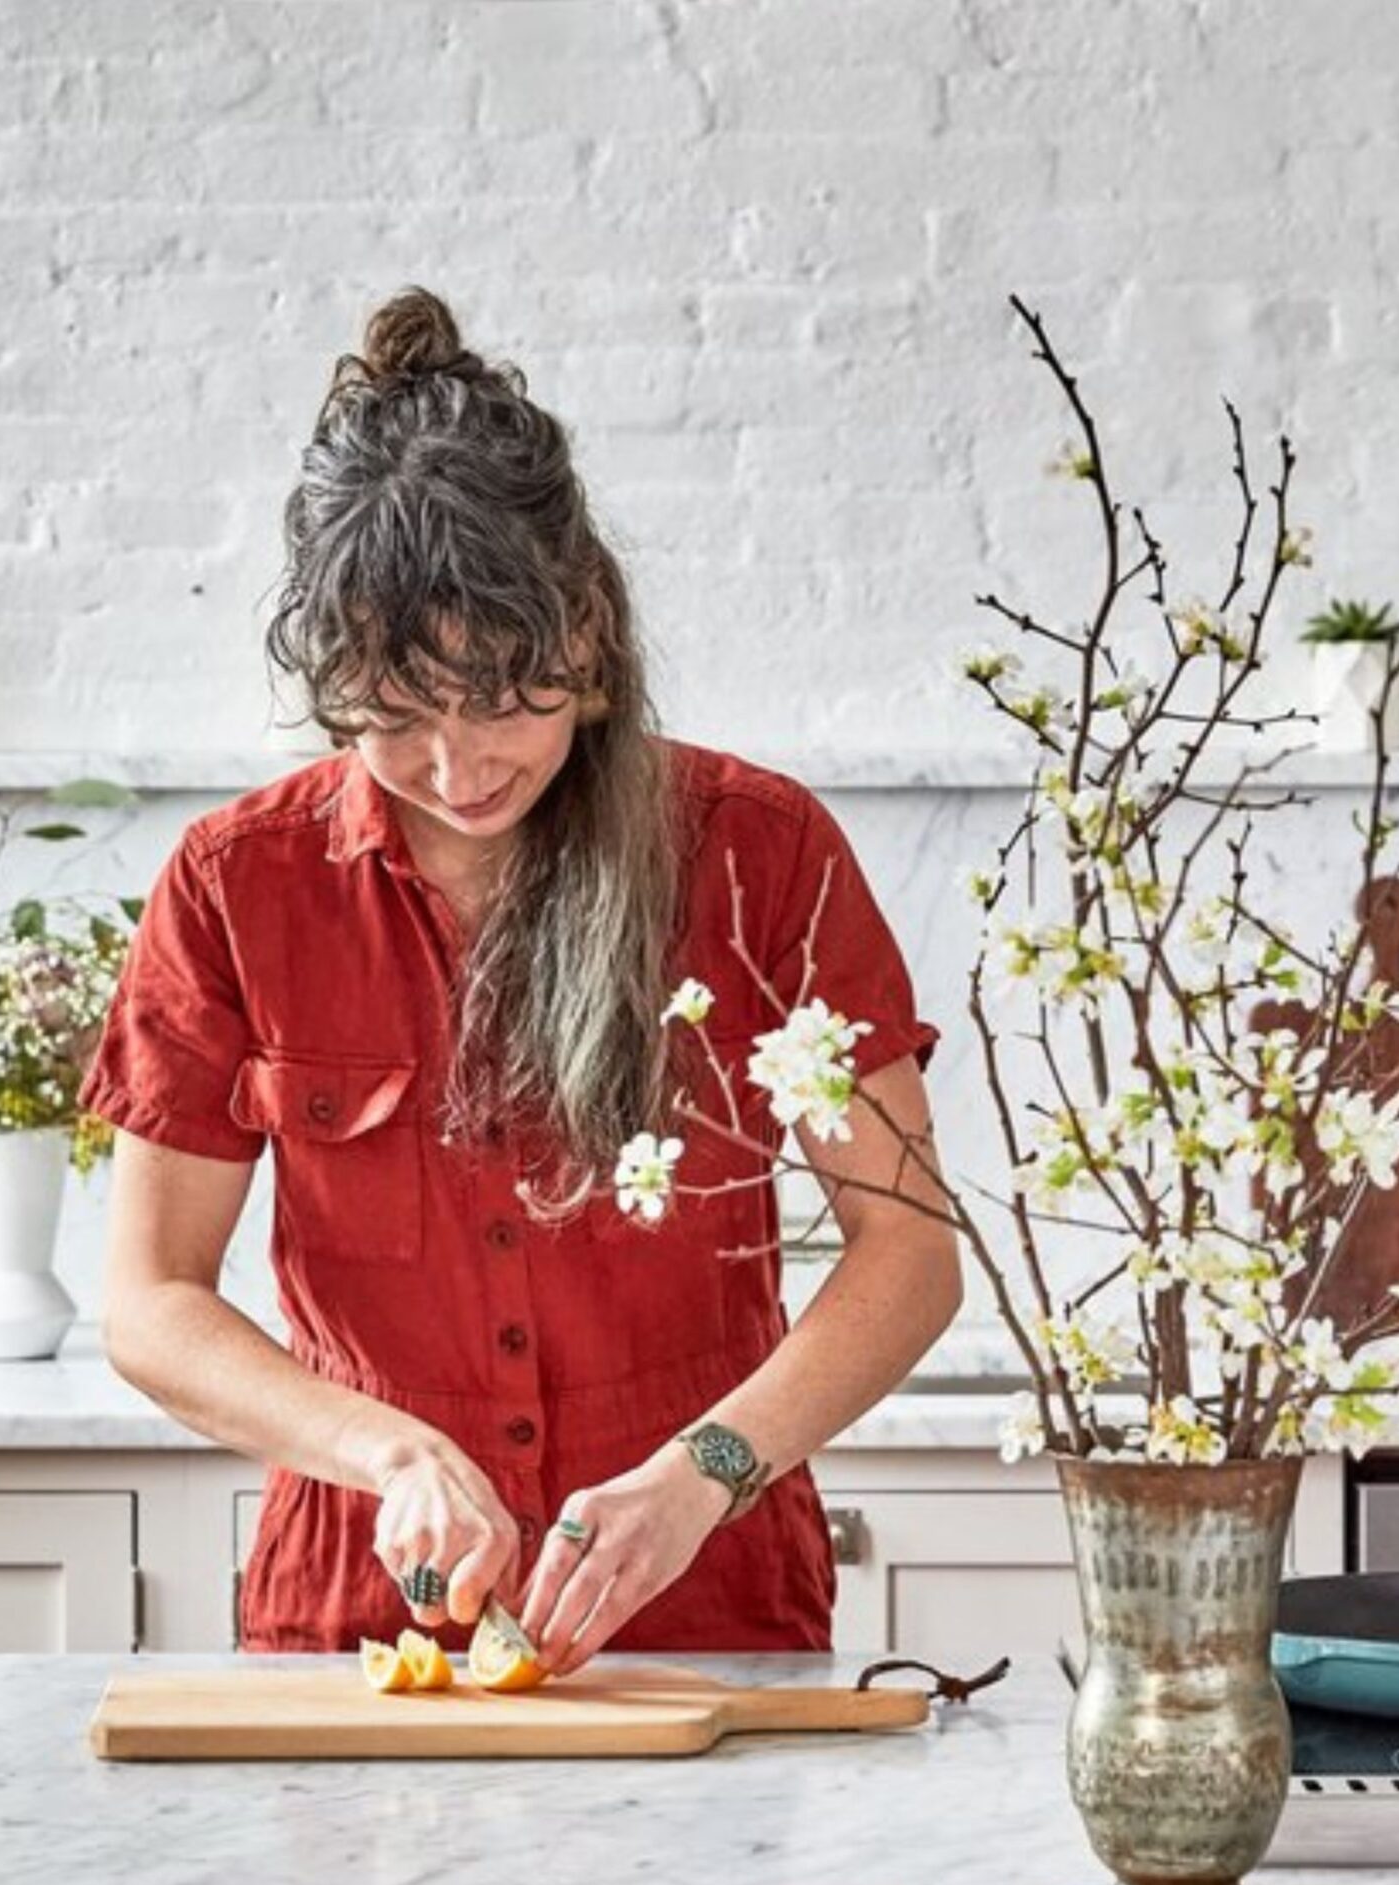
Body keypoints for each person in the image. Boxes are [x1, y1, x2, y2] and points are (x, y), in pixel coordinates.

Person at [80, 285, 961, 1673]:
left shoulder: (759, 856)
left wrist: (707, 1472)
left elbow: (910, 1251)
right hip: (360, 1611)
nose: (458, 768)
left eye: (503, 699)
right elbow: (148, 1303)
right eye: (397, 718)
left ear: (588, 638)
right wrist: (382, 1449)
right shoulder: (235, 885)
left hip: (709, 1601)